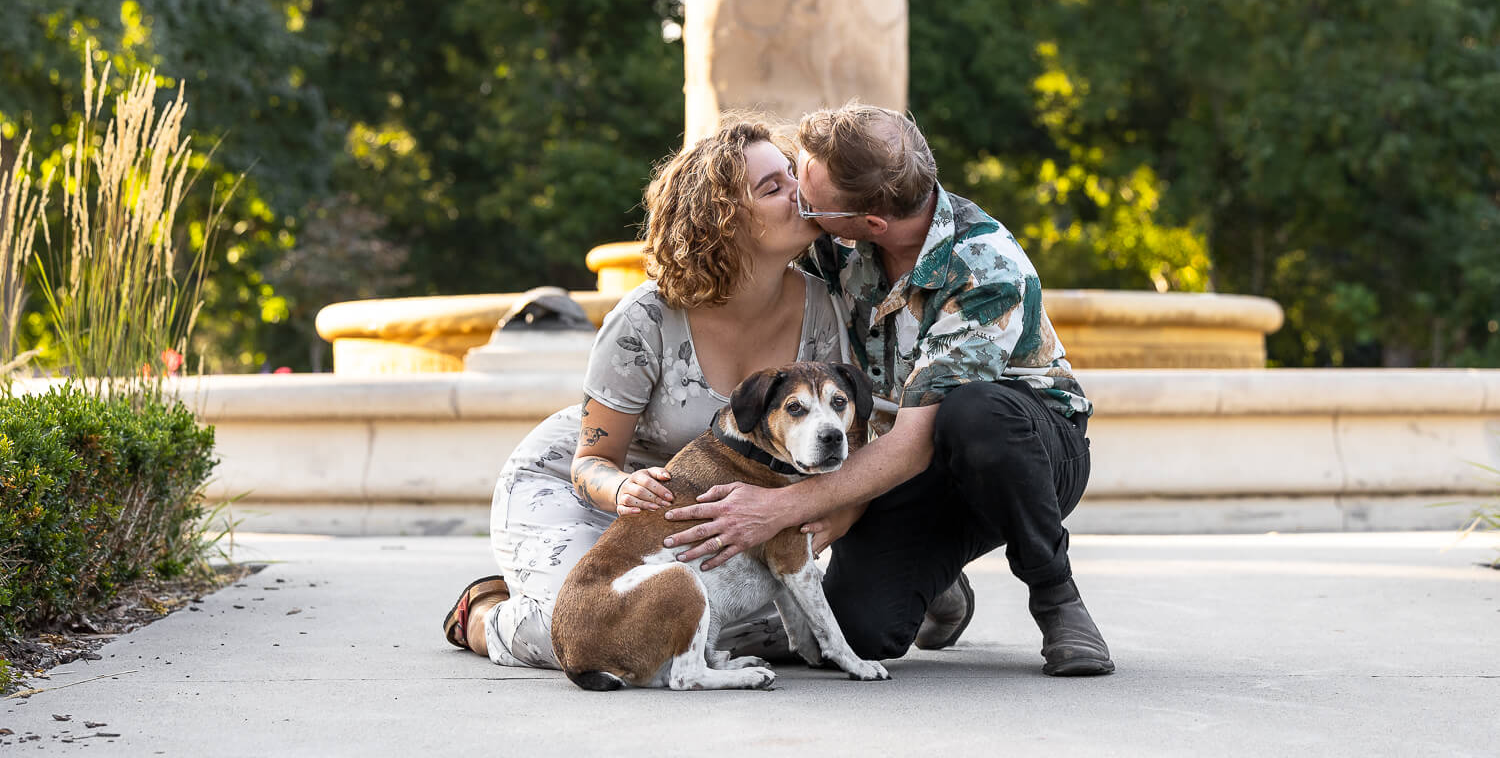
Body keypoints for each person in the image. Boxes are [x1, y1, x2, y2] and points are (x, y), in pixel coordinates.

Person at [661, 103, 1114, 676]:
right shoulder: (837, 241)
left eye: (809, 194)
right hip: (908, 465)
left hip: (1027, 454)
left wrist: (778, 508)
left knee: (974, 414)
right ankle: (938, 581)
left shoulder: (986, 267)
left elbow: (916, 439)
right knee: (861, 633)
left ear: (871, 222)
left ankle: (1057, 598)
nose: (799, 197)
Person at [441, 119, 845, 668]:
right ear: (722, 221)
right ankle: (487, 615)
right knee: (588, 637)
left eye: (793, 176)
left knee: (767, 632)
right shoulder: (644, 320)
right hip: (588, 491)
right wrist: (624, 487)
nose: (799, 193)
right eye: (772, 188)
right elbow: (591, 462)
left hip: (697, 517)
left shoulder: (824, 309)